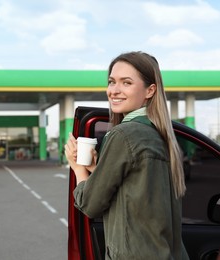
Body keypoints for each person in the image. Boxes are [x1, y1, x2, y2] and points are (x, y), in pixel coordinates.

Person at [65, 51, 189, 259]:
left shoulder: (123, 134)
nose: (114, 90)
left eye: (126, 83)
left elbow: (90, 204)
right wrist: (98, 169)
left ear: (150, 90)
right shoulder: (159, 134)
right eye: (112, 82)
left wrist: (78, 169)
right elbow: (135, 195)